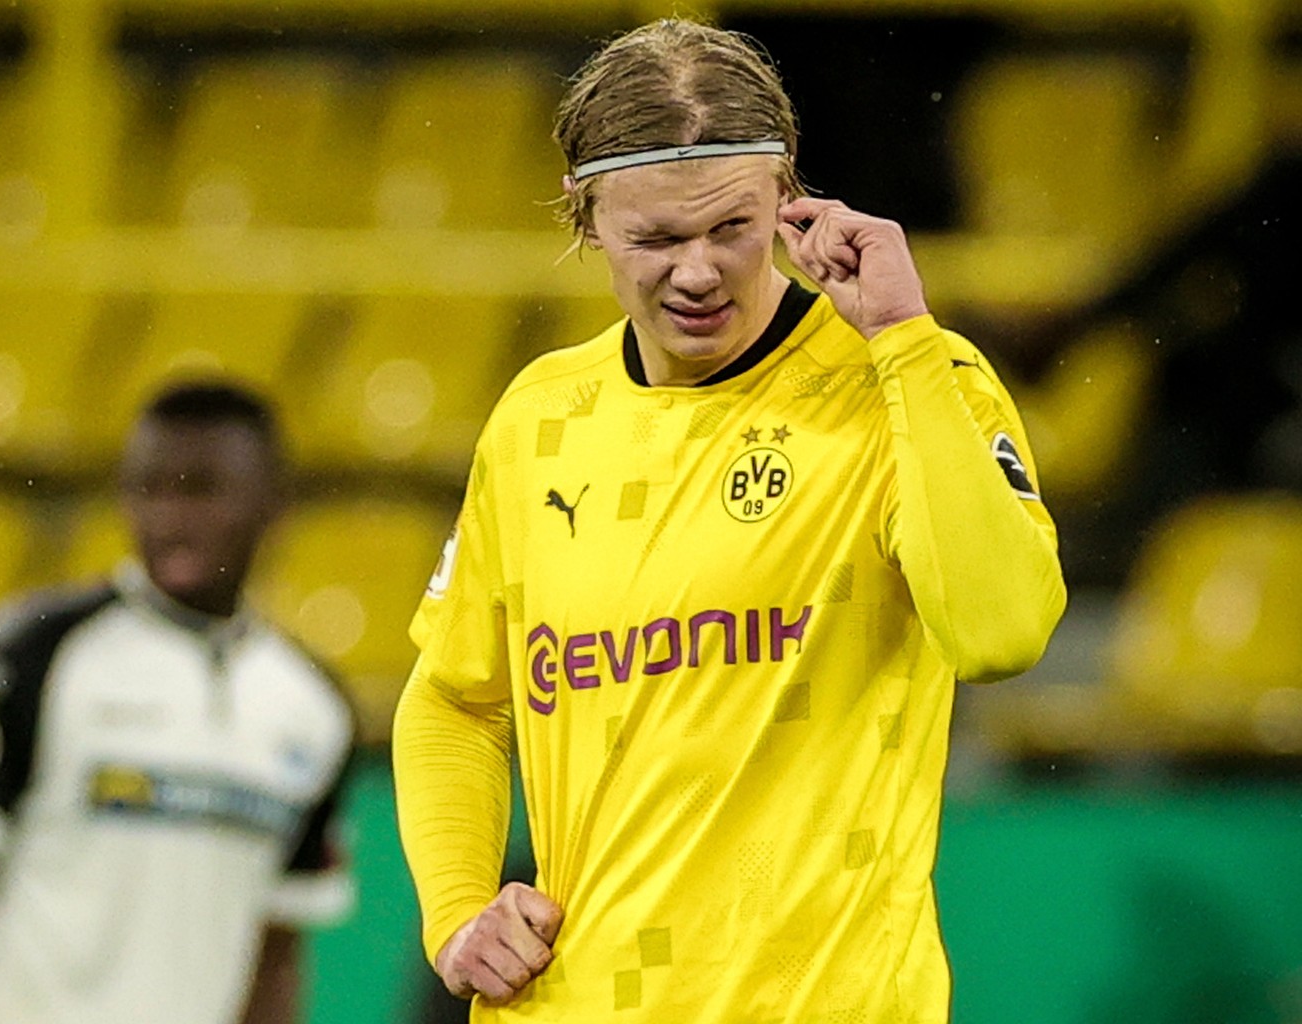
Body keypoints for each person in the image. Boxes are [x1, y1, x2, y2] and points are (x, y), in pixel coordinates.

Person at [392, 18, 1066, 1023]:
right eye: (655, 239)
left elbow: (1000, 630)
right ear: (584, 220)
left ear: (790, 198)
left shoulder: (906, 381)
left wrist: (904, 342)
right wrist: (456, 907)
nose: (699, 271)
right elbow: (455, 698)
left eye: (731, 230)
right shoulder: (539, 418)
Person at [0, 381, 356, 1024]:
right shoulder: (29, 653)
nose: (170, 517)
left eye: (202, 489)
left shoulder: (313, 705)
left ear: (274, 504)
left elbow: (277, 948)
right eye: (149, 487)